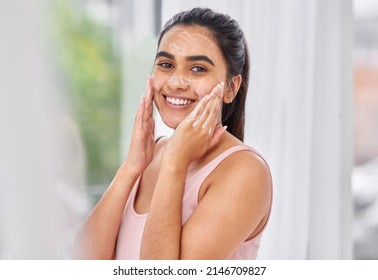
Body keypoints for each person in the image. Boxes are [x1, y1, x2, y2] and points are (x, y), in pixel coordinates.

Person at [75, 7, 272, 260]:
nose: (176, 82)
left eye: (198, 68)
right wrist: (130, 168)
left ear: (231, 88)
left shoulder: (245, 171)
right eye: (166, 64)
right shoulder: (151, 154)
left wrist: (175, 164)